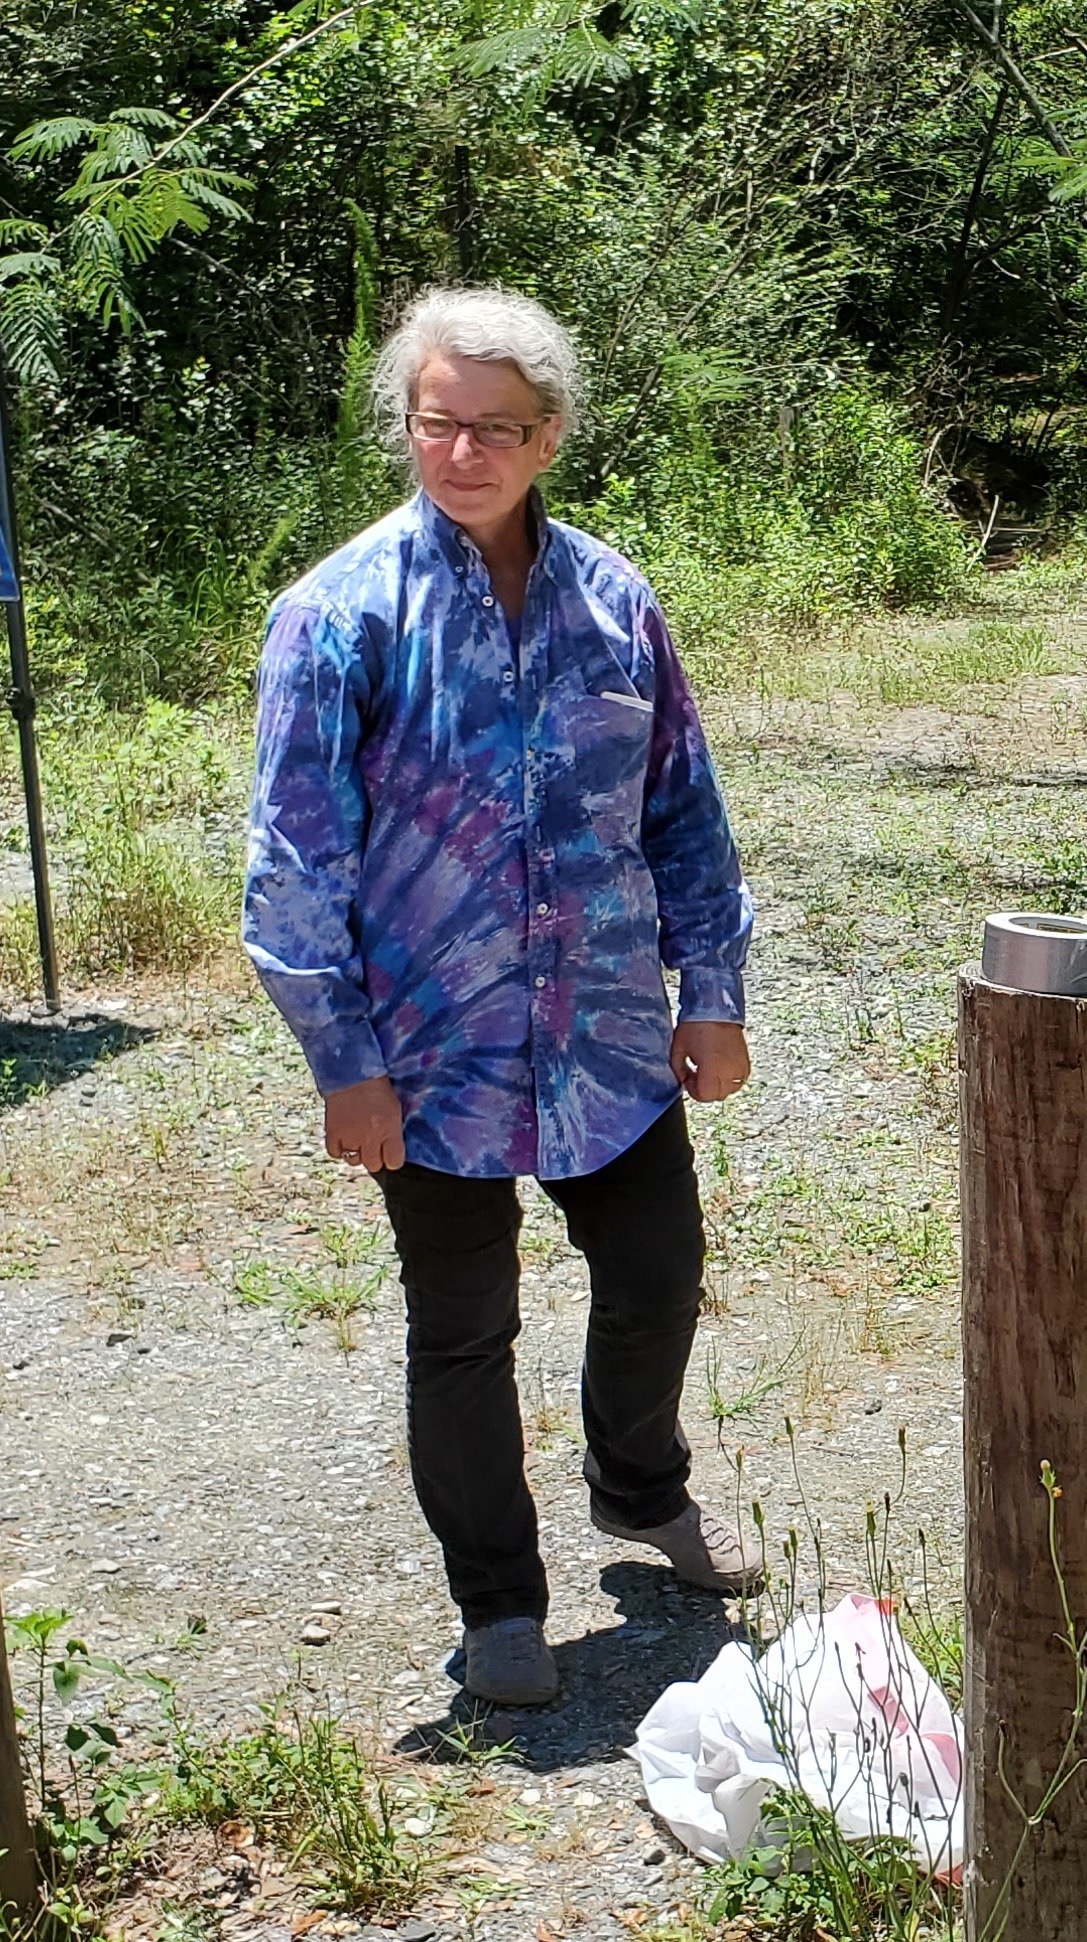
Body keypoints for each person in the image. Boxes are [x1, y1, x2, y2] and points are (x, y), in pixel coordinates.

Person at [244, 285, 762, 1711]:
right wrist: (340, 1059)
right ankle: (499, 1604)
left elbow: (684, 810)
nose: (462, 450)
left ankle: (639, 1489)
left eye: (495, 428)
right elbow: (292, 864)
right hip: (429, 1054)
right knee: (461, 1326)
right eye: (437, 422)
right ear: (406, 427)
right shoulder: (338, 616)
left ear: (548, 438)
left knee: (657, 1275)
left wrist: (711, 991)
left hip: (605, 1037)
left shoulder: (616, 602)